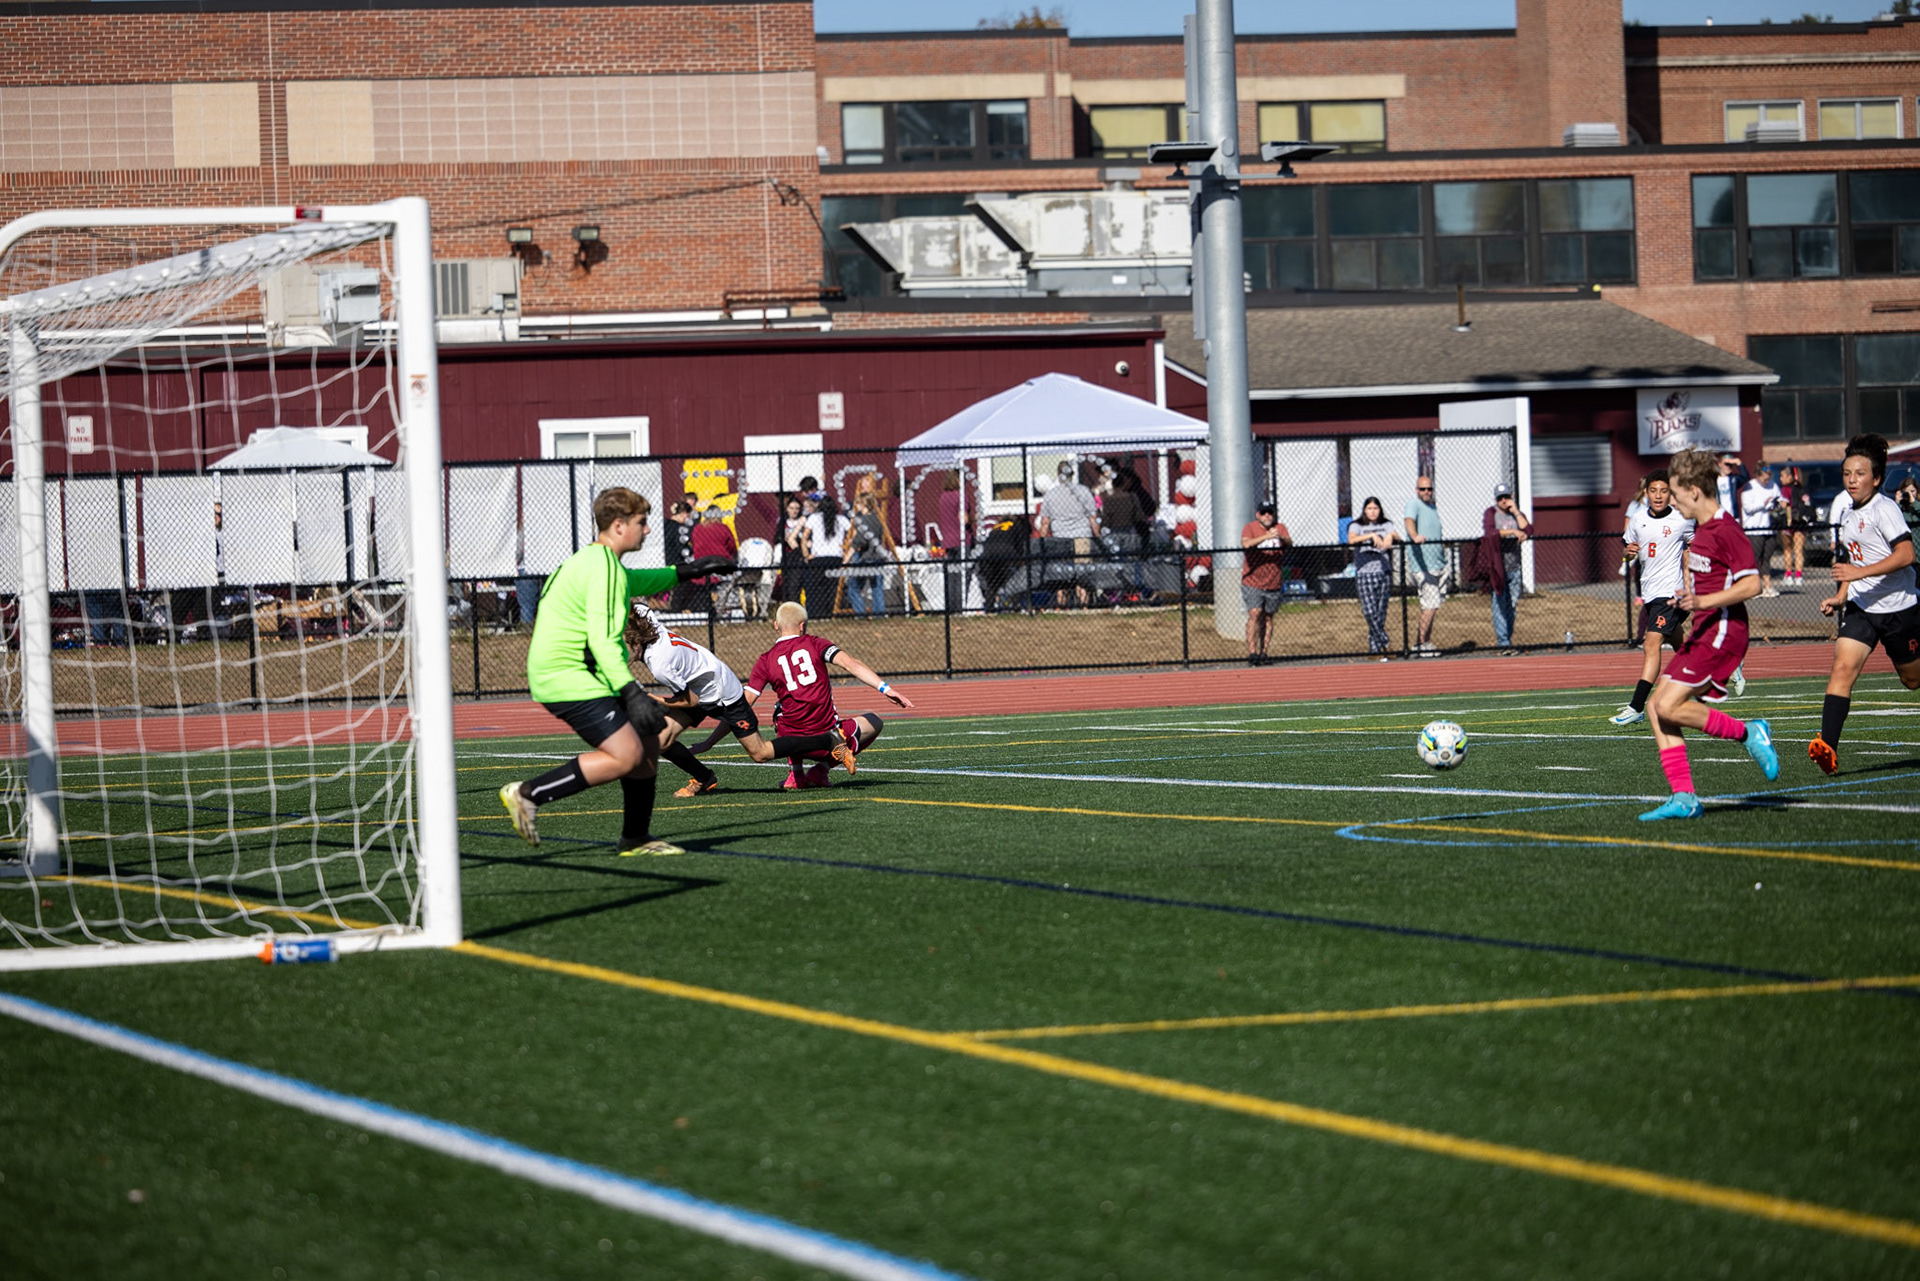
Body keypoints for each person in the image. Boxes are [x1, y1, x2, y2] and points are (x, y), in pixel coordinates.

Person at [496, 488, 736, 858]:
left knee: (649, 744)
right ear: (620, 525)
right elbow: (604, 641)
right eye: (643, 523)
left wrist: (686, 571)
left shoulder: (595, 561)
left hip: (569, 673)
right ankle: (527, 794)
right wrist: (632, 693)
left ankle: (636, 838)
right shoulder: (605, 567)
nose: (648, 531)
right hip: (568, 677)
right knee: (626, 755)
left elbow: (635, 583)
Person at [1638, 448, 1778, 822]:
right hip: (1704, 629)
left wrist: (1702, 599)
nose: (1672, 499)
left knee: (1667, 705)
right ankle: (1684, 798)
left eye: (1676, 492)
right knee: (1656, 708)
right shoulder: (1699, 531)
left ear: (1694, 491)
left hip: (1724, 632)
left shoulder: (1725, 529)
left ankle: (1750, 733)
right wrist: (1689, 599)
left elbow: (1750, 585)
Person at [627, 602, 859, 796]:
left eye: (622, 647)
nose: (618, 653)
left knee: (760, 753)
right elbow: (635, 606)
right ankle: (704, 778)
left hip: (721, 692)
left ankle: (826, 740)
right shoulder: (643, 617)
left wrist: (652, 698)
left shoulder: (660, 664)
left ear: (636, 642)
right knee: (661, 740)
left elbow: (691, 701)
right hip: (698, 684)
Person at [1808, 433, 1920, 775]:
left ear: (1876, 478)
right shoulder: (1844, 508)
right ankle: (1827, 747)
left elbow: (1906, 554)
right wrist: (1842, 594)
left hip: (1900, 609)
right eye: (1847, 473)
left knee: (1912, 680)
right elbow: (1851, 558)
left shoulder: (1884, 509)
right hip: (1861, 608)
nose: (1852, 480)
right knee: (1842, 670)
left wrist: (1860, 571)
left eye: (1859, 474)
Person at [736, 601, 914, 789]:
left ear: (775, 625)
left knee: (781, 711)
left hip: (790, 742)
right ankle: (821, 769)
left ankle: (795, 774)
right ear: (802, 626)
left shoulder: (766, 659)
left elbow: (743, 704)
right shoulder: (816, 643)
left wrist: (710, 741)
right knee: (875, 721)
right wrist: (886, 688)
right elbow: (851, 664)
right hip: (826, 740)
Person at [1611, 469, 1694, 726]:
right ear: (1645, 493)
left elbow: (1691, 550)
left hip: (1671, 593)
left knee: (1651, 643)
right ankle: (1724, 663)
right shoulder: (1636, 519)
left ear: (1671, 493)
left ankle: (1636, 706)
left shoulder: (1683, 519)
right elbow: (1628, 553)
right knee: (1684, 647)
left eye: (1664, 490)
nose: (1658, 496)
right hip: (1650, 592)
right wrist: (1628, 553)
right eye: (1653, 491)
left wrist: (1689, 585)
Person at [1036, 458, 1102, 607]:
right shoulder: (1084, 491)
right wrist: (1098, 537)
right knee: (1083, 575)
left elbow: (1045, 522)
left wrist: (1041, 540)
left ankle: (1062, 606)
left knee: (1061, 577)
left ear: (1058, 475)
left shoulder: (1051, 495)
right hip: (1082, 536)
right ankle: (1084, 606)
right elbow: (1093, 517)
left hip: (1060, 539)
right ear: (1072, 474)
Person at [1481, 482, 1531, 655]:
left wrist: (1516, 512)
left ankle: (1507, 640)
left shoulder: (1516, 515)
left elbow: (1529, 530)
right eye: (1500, 498)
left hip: (1514, 567)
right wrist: (1511, 532)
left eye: (1506, 497)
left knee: (1512, 606)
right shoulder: (1491, 513)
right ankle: (1503, 643)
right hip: (1498, 568)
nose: (1504, 501)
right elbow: (1489, 532)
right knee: (1499, 605)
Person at [1346, 496, 1400, 659]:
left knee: (1380, 612)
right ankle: (1385, 643)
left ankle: (1375, 650)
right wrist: (1371, 536)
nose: (1373, 511)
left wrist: (1391, 537)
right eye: (1369, 508)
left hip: (1383, 571)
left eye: (1375, 508)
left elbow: (1397, 536)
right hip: (1365, 572)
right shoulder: (1357, 525)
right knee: (1369, 611)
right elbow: (1351, 540)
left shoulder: (1386, 524)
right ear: (1364, 510)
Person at [1240, 501, 1292, 665]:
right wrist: (1265, 536)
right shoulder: (1250, 527)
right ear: (1258, 515)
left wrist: (1281, 537)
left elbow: (1290, 542)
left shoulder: (1280, 527)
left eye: (1270, 513)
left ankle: (1264, 652)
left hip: (1273, 582)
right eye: (1264, 513)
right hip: (1253, 581)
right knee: (1255, 613)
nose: (1267, 516)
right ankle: (1252, 652)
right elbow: (1246, 543)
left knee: (1268, 617)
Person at [1403, 475, 1446, 656]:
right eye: (1423, 489)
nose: (1426, 492)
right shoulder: (1414, 504)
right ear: (1417, 490)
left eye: (1429, 489)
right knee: (1430, 604)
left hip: (1438, 564)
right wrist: (1414, 536)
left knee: (1431, 606)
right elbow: (1409, 521)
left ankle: (1424, 642)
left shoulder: (1432, 507)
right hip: (1423, 566)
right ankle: (1420, 644)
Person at [801, 493, 852, 613]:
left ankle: (816, 613)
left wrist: (806, 555)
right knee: (833, 587)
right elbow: (853, 535)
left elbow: (804, 538)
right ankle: (831, 611)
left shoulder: (813, 518)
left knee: (816, 588)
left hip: (818, 558)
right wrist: (846, 548)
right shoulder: (841, 520)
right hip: (836, 557)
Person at [1740, 463, 1784, 598]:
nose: (1767, 481)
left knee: (1766, 558)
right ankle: (1753, 587)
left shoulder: (1773, 485)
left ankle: (1767, 586)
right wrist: (1763, 504)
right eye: (1764, 479)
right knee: (1754, 558)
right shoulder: (1750, 486)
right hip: (1754, 528)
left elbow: (1780, 499)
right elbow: (1748, 508)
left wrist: (1777, 504)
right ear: (1758, 476)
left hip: (1768, 528)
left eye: (1768, 478)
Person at [844, 490, 890, 617]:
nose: (856, 506)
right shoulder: (878, 519)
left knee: (853, 587)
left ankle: (860, 613)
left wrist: (847, 558)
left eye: (858, 503)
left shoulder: (862, 520)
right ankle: (879, 613)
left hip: (865, 558)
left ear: (864, 504)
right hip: (877, 557)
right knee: (877, 587)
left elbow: (860, 541)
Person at [689, 504, 739, 615]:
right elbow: (732, 548)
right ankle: (724, 610)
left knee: (702, 592)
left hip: (701, 567)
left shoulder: (697, 528)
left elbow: (693, 545)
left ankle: (704, 610)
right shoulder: (723, 528)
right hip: (721, 567)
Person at [1775, 465, 1815, 590]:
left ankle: (1788, 575)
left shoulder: (1786, 489)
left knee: (1787, 550)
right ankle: (1799, 576)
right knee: (1799, 551)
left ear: (1789, 476)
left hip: (1789, 522)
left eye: (1782, 476)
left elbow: (1784, 504)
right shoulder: (1802, 489)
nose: (1780, 479)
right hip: (1801, 523)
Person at [662, 500, 698, 611]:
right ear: (683, 513)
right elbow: (681, 548)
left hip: (664, 560)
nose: (688, 518)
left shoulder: (664, 525)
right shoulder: (679, 529)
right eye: (688, 515)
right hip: (677, 562)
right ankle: (676, 609)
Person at [774, 495, 808, 603]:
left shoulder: (803, 522)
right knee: (786, 585)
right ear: (787, 509)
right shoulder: (783, 522)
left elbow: (806, 538)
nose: (794, 511)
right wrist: (784, 538)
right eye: (792, 508)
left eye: (797, 509)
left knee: (795, 585)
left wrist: (795, 539)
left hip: (798, 555)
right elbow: (777, 538)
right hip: (786, 556)